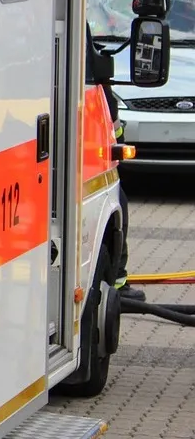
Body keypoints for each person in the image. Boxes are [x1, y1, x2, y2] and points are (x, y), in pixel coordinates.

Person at [86, 24, 144, 302]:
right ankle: (117, 282)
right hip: (87, 164)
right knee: (117, 200)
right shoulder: (95, 79)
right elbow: (115, 129)